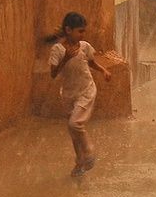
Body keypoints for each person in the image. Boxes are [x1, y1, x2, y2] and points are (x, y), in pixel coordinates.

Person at [47, 12, 110, 177]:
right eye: (80, 31)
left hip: (86, 91)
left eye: (83, 31)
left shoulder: (85, 46)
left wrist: (103, 70)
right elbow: (53, 74)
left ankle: (89, 153)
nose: (83, 35)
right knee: (73, 131)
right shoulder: (58, 50)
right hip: (69, 94)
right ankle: (79, 163)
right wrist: (66, 58)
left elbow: (90, 62)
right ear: (68, 30)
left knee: (74, 125)